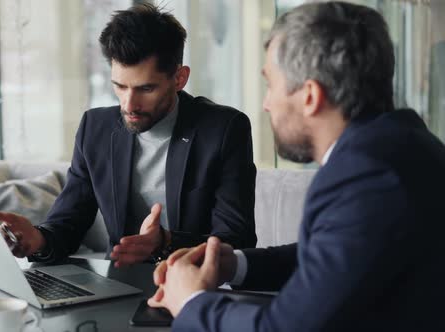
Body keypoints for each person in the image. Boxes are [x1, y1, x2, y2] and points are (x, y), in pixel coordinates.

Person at [148, 2, 445, 331]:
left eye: (271, 85)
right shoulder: (403, 148)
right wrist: (232, 264)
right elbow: (333, 260)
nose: (266, 103)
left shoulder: (368, 176)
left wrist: (190, 302)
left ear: (309, 96)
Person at [0, 3, 257, 267]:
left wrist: (165, 242)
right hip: (119, 284)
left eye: (146, 89)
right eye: (120, 86)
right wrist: (38, 239)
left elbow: (237, 240)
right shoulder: (95, 128)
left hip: (193, 285)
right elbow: (67, 225)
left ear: (179, 78)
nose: (129, 105)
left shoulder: (224, 129)